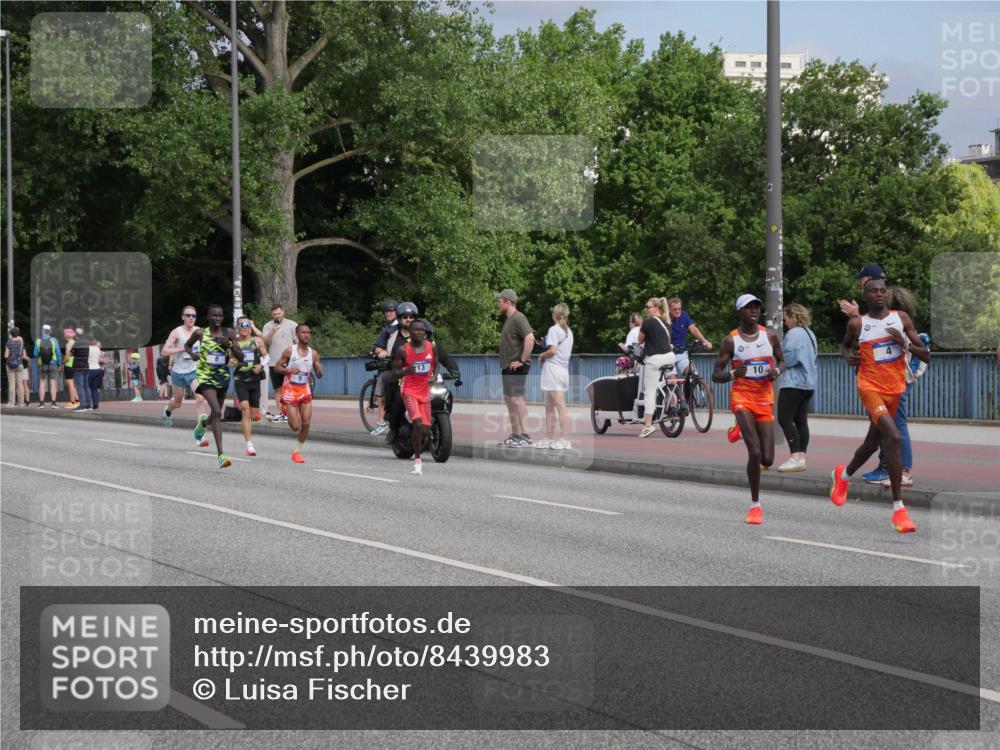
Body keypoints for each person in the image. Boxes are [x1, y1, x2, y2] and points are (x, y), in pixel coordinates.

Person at [830, 279, 929, 533]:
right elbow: (845, 346)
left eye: (883, 291)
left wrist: (905, 344)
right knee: (893, 438)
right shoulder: (858, 324)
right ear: (865, 295)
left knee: (872, 443)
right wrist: (848, 358)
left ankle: (842, 476)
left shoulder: (901, 318)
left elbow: (925, 355)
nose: (880, 294)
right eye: (874, 291)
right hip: (869, 388)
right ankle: (899, 510)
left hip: (895, 389)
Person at [713, 294, 784, 525]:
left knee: (768, 459)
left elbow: (782, 360)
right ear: (739, 312)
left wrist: (778, 372)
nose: (754, 311)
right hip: (742, 396)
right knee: (753, 452)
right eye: (748, 308)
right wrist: (734, 374)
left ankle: (740, 429)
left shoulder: (770, 335)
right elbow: (716, 374)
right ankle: (755, 505)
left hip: (764, 398)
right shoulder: (730, 341)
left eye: (756, 307)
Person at [862, 286, 927, 488]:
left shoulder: (899, 323)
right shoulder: (881, 323)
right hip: (883, 382)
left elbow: (922, 353)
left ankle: (904, 470)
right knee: (883, 428)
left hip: (895, 382)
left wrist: (904, 344)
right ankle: (887, 467)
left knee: (897, 426)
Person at [382, 303, 459, 445]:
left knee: (445, 394)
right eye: (405, 317)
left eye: (412, 317)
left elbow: (445, 358)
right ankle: (393, 428)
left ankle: (438, 422)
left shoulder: (431, 344)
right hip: (407, 381)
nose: (408, 319)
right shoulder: (398, 339)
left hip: (426, 382)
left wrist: (455, 372)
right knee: (398, 397)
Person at [186, 305, 243, 468]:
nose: (217, 318)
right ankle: (221, 455)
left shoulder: (229, 333)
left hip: (223, 377)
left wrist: (230, 345)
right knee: (217, 412)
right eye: (214, 316)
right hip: (205, 376)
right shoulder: (200, 333)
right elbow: (187, 345)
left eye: (220, 316)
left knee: (215, 413)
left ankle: (202, 424)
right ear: (208, 317)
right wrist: (192, 355)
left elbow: (241, 358)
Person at [776, 303, 817, 473]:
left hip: (793, 382)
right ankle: (801, 457)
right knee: (801, 420)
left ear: (793, 317)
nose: (785, 323)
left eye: (786, 319)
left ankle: (794, 457)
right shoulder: (810, 333)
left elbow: (789, 359)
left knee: (784, 418)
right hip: (809, 382)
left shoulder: (793, 334)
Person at [274, 322, 324, 463]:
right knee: (295, 427)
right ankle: (285, 407)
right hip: (290, 389)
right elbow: (277, 368)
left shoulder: (313, 354)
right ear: (297, 335)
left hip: (304, 390)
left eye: (308, 332)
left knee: (306, 423)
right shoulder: (290, 351)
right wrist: (288, 370)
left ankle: (297, 452)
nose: (306, 335)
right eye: (303, 332)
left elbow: (319, 375)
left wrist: (320, 370)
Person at [392, 319, 435, 474]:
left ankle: (416, 448)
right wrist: (405, 371)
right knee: (417, 423)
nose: (420, 333)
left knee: (425, 430)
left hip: (425, 391)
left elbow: (435, 366)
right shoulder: (403, 350)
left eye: (422, 330)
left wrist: (434, 377)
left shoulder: (431, 347)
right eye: (416, 330)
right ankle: (418, 462)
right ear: (410, 333)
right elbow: (394, 371)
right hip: (409, 390)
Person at [161, 306, 209, 444]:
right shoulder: (176, 332)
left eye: (194, 316)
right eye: (188, 315)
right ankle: (167, 412)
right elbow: (164, 351)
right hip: (178, 372)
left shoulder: (200, 331)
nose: (191, 318)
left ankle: (200, 435)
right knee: (177, 402)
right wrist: (183, 348)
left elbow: (207, 348)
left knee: (200, 398)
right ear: (183, 317)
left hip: (194, 371)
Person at [496, 289, 535, 447]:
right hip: (508, 367)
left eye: (500, 301)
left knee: (517, 400)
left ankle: (525, 435)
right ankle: (516, 435)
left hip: (516, 366)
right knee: (509, 400)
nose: (498, 304)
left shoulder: (519, 318)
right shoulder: (509, 319)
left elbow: (530, 338)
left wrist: (522, 360)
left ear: (507, 302)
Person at [637, 298, 676, 438]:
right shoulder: (667, 323)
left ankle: (648, 425)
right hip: (670, 357)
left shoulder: (648, 322)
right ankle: (673, 399)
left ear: (656, 309)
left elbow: (639, 340)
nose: (646, 309)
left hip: (654, 359)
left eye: (648, 307)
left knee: (650, 392)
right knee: (662, 382)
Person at [537, 303, 574, 450]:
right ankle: (549, 437)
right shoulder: (569, 332)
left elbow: (552, 350)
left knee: (558, 406)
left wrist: (542, 355)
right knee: (550, 406)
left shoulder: (554, 329)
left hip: (553, 370)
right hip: (562, 370)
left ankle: (564, 439)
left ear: (555, 315)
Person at [232, 315, 267, 456]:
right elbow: (230, 359)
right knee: (245, 409)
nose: (244, 328)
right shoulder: (234, 343)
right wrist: (231, 362)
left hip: (254, 380)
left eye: (247, 325)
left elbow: (267, 357)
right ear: (238, 327)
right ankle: (249, 444)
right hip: (240, 380)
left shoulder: (257, 341)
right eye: (242, 325)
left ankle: (250, 420)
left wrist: (261, 365)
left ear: (250, 327)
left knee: (253, 414)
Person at [261, 304, 298, 423]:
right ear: (272, 315)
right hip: (273, 362)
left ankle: (292, 413)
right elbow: (264, 342)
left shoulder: (292, 324)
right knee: (278, 389)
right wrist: (272, 332)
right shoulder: (268, 325)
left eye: (279, 313)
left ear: (283, 312)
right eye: (275, 314)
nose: (277, 316)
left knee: (291, 389)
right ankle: (282, 413)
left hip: (289, 361)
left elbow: (297, 341)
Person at [370, 299, 400, 433]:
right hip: (393, 365)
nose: (388, 313)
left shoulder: (404, 328)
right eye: (386, 311)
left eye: (391, 311)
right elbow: (376, 347)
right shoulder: (388, 330)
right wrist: (382, 351)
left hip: (404, 365)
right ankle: (381, 421)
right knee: (382, 386)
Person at [667, 297, 713, 376]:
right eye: (675, 309)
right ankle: (673, 385)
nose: (678, 311)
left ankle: (690, 388)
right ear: (669, 309)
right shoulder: (665, 319)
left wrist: (705, 341)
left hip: (681, 353)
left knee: (692, 373)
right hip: (668, 354)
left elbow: (693, 329)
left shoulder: (684, 315)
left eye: (679, 309)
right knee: (672, 380)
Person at [34, 324, 63, 408]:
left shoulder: (38, 341)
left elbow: (35, 354)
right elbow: (58, 353)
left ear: (42, 331)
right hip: (53, 364)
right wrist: (59, 364)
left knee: (42, 383)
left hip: (42, 364)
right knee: (53, 383)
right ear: (50, 331)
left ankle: (41, 403)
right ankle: (53, 403)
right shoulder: (54, 340)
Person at [4, 327, 26, 406]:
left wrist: (10, 354)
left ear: (11, 334)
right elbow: (24, 355)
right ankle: (21, 403)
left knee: (12, 384)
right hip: (19, 364)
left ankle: (11, 403)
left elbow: (6, 355)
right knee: (20, 384)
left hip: (10, 365)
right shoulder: (21, 343)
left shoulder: (9, 342)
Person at [62, 328, 79, 408]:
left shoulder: (68, 344)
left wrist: (63, 363)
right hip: (75, 364)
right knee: (73, 384)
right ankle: (77, 400)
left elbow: (67, 357)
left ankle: (72, 402)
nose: (64, 335)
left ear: (67, 335)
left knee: (70, 384)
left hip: (69, 364)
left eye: (65, 334)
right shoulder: (75, 342)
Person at [86, 338, 104, 411]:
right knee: (95, 389)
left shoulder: (88, 349)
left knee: (88, 388)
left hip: (90, 369)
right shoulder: (98, 349)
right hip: (98, 369)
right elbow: (100, 359)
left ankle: (88, 404)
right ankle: (96, 404)